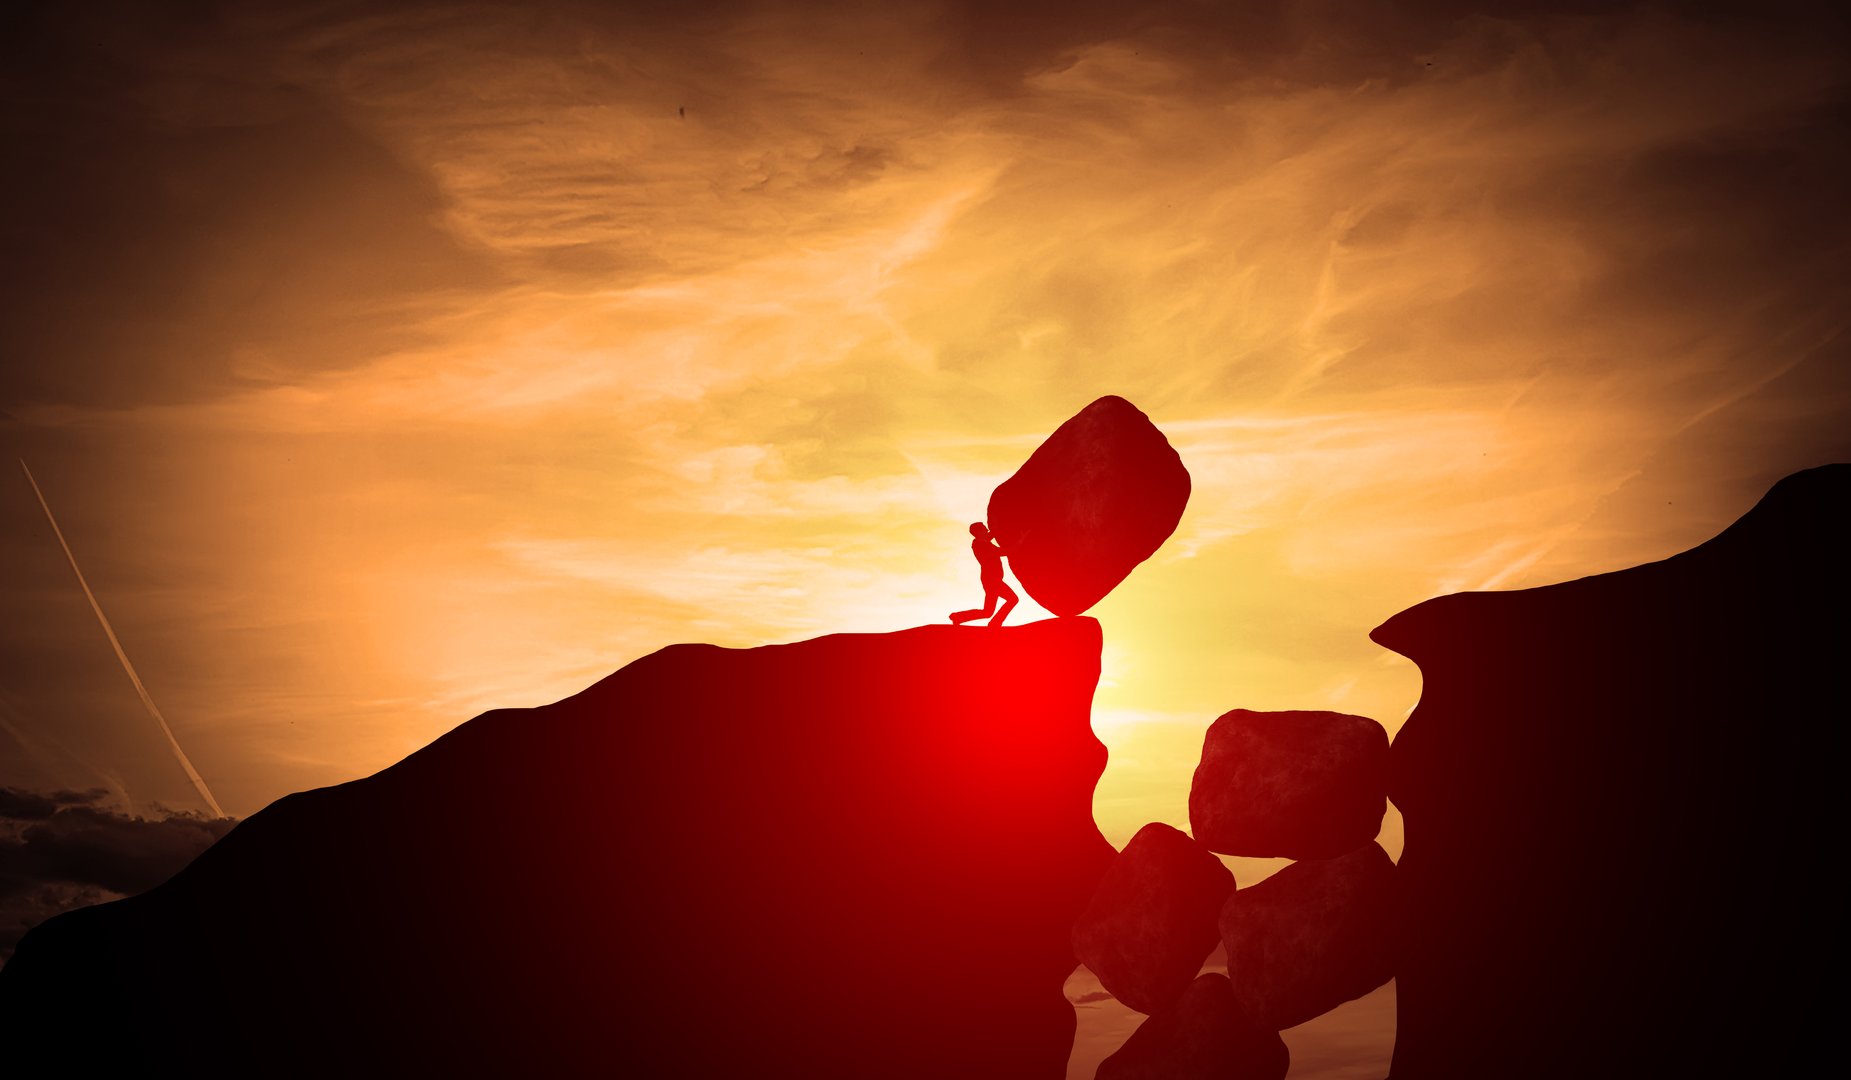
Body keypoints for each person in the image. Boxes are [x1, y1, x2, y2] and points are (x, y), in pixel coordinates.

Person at [949, 521, 1019, 627]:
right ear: (978, 532)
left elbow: (989, 536)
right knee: (1012, 600)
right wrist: (1020, 542)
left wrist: (996, 529)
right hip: (992, 580)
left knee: (988, 611)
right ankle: (995, 623)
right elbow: (1003, 552)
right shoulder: (982, 545)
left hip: (992, 579)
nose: (987, 530)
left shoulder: (980, 542)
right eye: (984, 528)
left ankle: (958, 617)